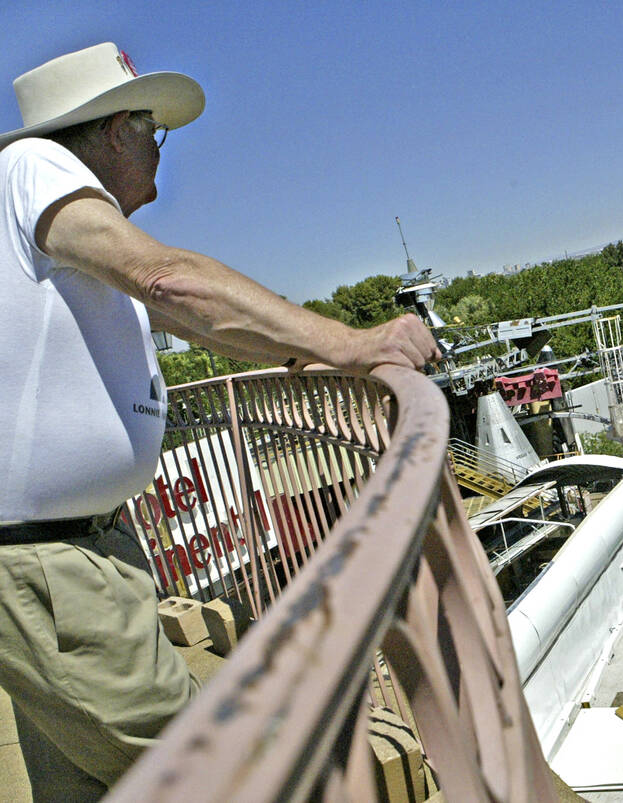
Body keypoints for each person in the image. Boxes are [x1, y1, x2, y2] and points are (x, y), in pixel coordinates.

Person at [0, 43, 439, 799]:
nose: (157, 148)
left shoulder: (57, 218)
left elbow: (204, 320)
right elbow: (172, 281)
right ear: (111, 131)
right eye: (150, 129)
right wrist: (354, 344)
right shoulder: (35, 167)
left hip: (78, 555)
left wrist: (305, 350)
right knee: (222, 778)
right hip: (51, 570)